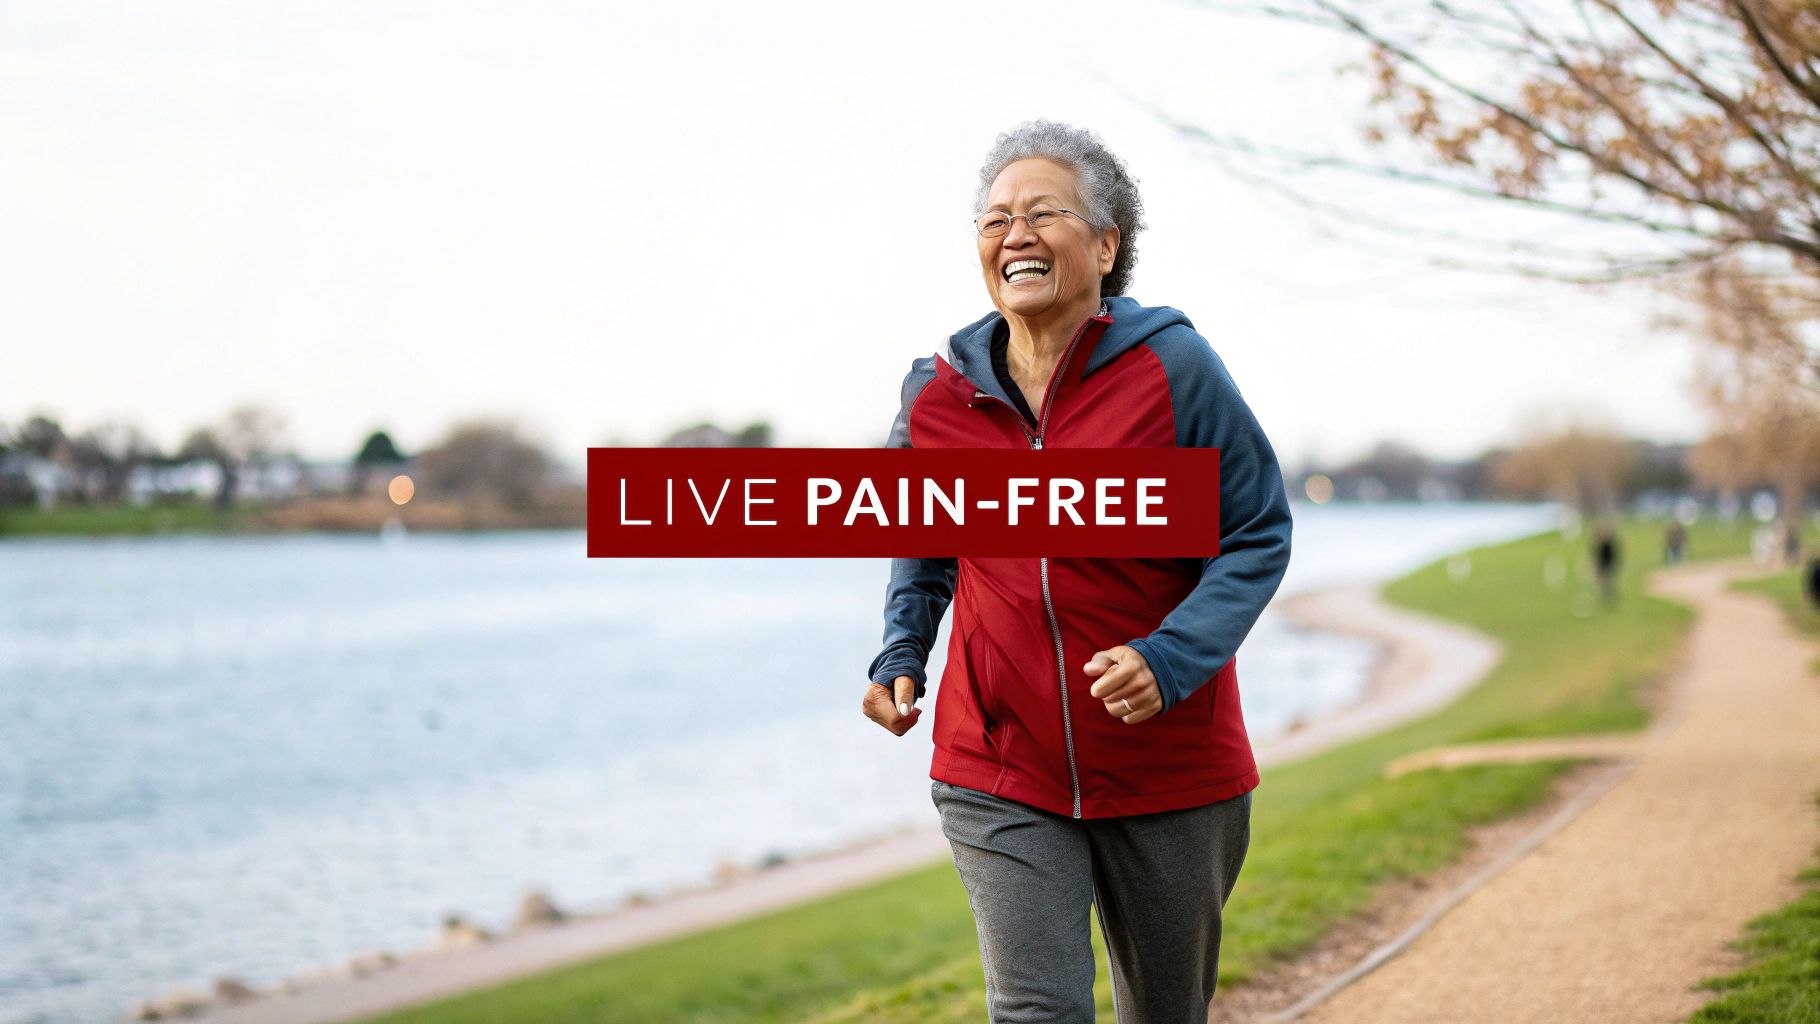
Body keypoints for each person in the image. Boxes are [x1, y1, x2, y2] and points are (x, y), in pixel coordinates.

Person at [860, 119, 1293, 1023]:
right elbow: (924, 543)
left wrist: (1169, 659)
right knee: (1036, 1012)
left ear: (1104, 246)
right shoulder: (937, 396)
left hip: (1168, 761)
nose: (1014, 233)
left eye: (1043, 213)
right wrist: (902, 650)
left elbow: (1255, 533)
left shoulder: (1174, 369)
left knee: (1165, 1010)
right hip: (997, 758)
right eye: (995, 219)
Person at [1593, 520, 1620, 605]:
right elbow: (1597, 554)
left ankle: (1608, 593)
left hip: (1608, 562)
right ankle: (1606, 592)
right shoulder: (1601, 544)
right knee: (1603, 579)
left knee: (1607, 579)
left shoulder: (1609, 544)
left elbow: (1613, 555)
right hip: (1603, 563)